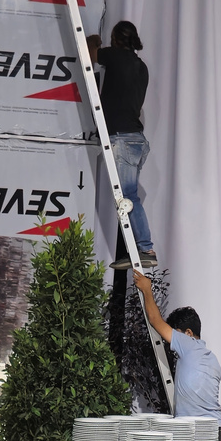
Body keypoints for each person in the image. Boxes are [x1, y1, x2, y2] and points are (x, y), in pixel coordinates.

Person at [87, 21, 157, 267]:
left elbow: (89, 53)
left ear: (116, 39)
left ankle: (146, 249)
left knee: (127, 197)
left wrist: (94, 40)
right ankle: (138, 249)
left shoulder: (115, 56)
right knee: (128, 196)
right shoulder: (142, 67)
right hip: (136, 140)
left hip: (123, 138)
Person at [133, 273, 221, 440]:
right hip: (218, 430)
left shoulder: (187, 343)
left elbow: (155, 320)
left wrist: (147, 289)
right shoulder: (213, 360)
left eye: (175, 333)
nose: (170, 342)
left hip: (196, 432)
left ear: (188, 333)